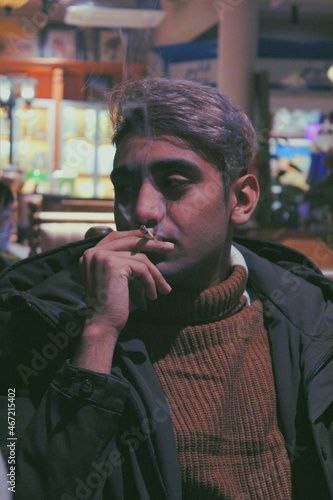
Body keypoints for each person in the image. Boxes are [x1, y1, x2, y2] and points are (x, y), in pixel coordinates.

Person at [0, 78, 332, 500]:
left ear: (242, 200)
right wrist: (99, 334)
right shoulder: (42, 325)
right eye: (124, 187)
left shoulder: (309, 323)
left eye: (174, 183)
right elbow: (36, 489)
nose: (141, 209)